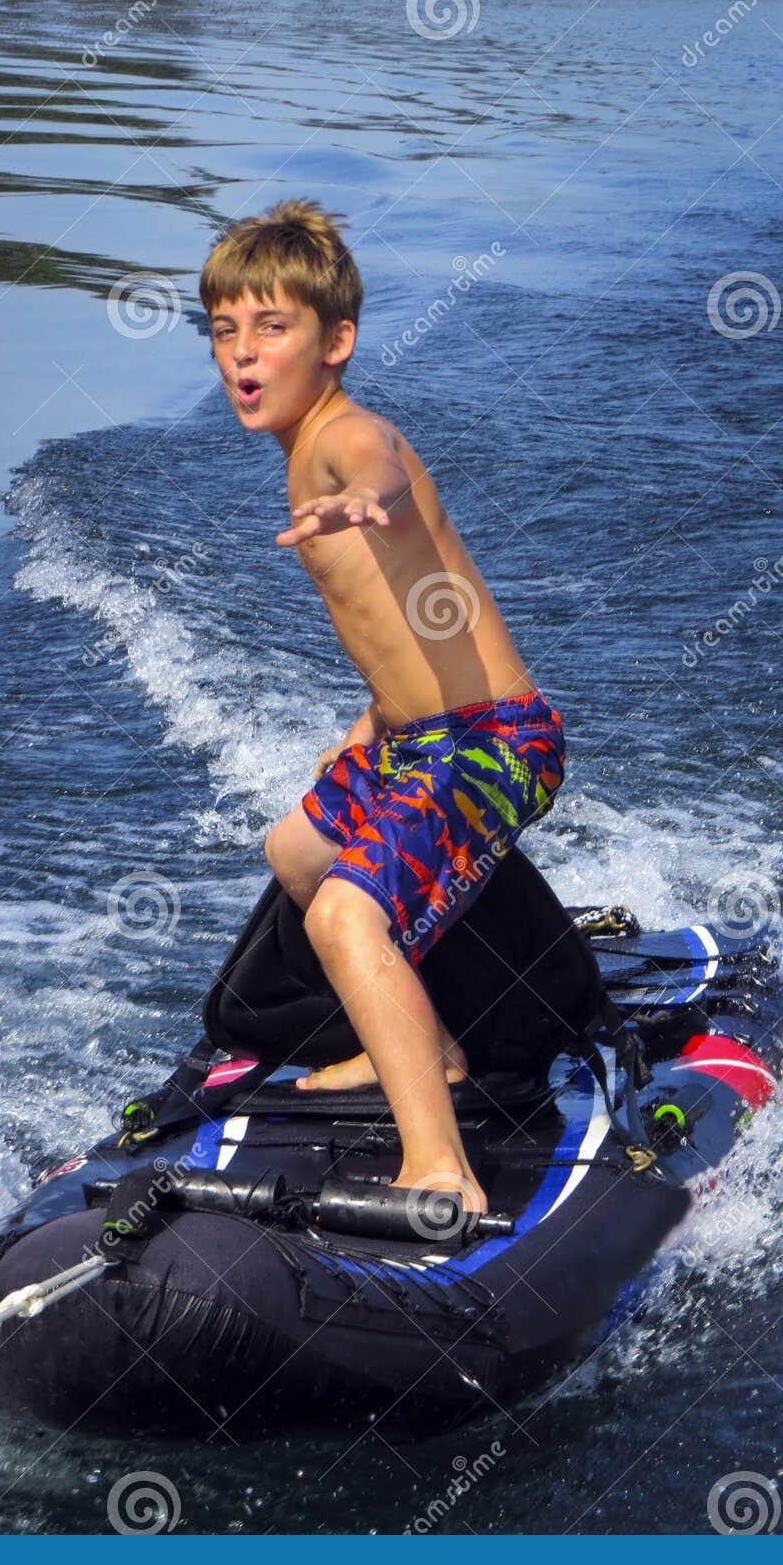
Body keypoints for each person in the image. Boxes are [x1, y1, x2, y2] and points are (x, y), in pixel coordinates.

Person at [199, 198, 565, 1216]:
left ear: (338, 342)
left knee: (352, 915)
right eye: (224, 329)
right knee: (298, 856)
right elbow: (399, 618)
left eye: (272, 328)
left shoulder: (343, 441)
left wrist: (370, 499)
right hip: (416, 734)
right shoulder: (298, 450)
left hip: (491, 743)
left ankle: (443, 1166)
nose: (243, 353)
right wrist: (371, 724)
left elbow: (382, 471)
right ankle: (426, 1044)